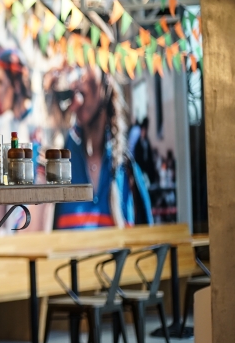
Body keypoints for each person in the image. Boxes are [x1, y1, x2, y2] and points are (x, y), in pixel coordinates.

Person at [52, 65, 153, 229]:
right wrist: (57, 125)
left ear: (107, 76)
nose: (74, 82)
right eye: (71, 71)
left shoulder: (127, 172)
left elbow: (149, 248)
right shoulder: (57, 166)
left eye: (82, 66)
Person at [133, 118, 158, 188]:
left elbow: (149, 155)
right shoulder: (138, 143)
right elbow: (137, 156)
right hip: (141, 166)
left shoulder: (147, 141)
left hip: (147, 165)